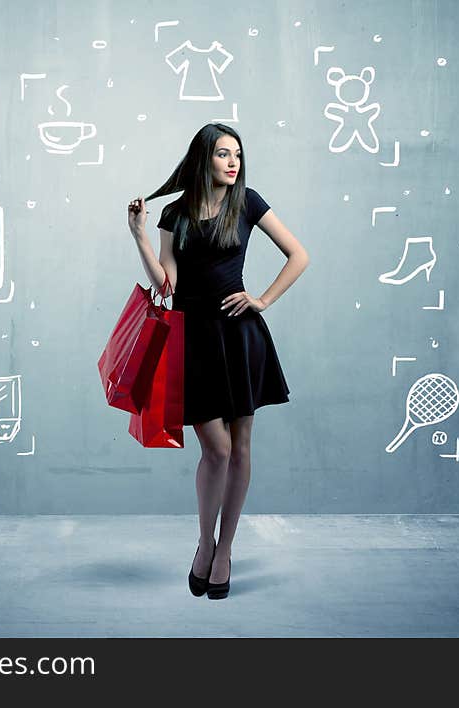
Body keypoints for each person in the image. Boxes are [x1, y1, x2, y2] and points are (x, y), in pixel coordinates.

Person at [127, 123, 309, 599]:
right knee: (218, 449)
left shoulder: (248, 203)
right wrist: (140, 237)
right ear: (203, 158)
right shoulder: (175, 213)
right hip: (194, 340)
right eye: (224, 154)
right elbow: (166, 285)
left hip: (239, 336)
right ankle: (203, 545)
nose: (234, 163)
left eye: (238, 155)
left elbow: (298, 254)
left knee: (242, 447)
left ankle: (225, 550)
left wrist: (262, 300)